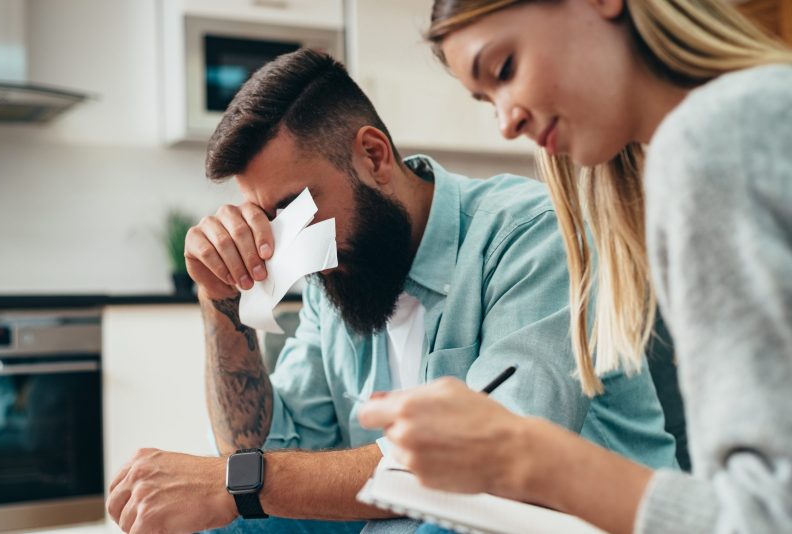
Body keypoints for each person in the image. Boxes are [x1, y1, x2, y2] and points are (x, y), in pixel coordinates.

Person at [104, 48, 681, 534]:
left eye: (296, 210)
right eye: (269, 220)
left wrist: (241, 484)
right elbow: (263, 453)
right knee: (224, 519)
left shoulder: (529, 234)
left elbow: (491, 469)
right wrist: (220, 304)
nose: (284, 245)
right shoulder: (340, 273)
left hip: (548, 518)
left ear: (373, 156)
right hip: (415, 517)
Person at [358, 1, 792, 533]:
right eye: (486, 99)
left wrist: (522, 454)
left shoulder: (709, 143)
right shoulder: (756, 114)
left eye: (505, 69)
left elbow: (765, 519)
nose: (506, 122)